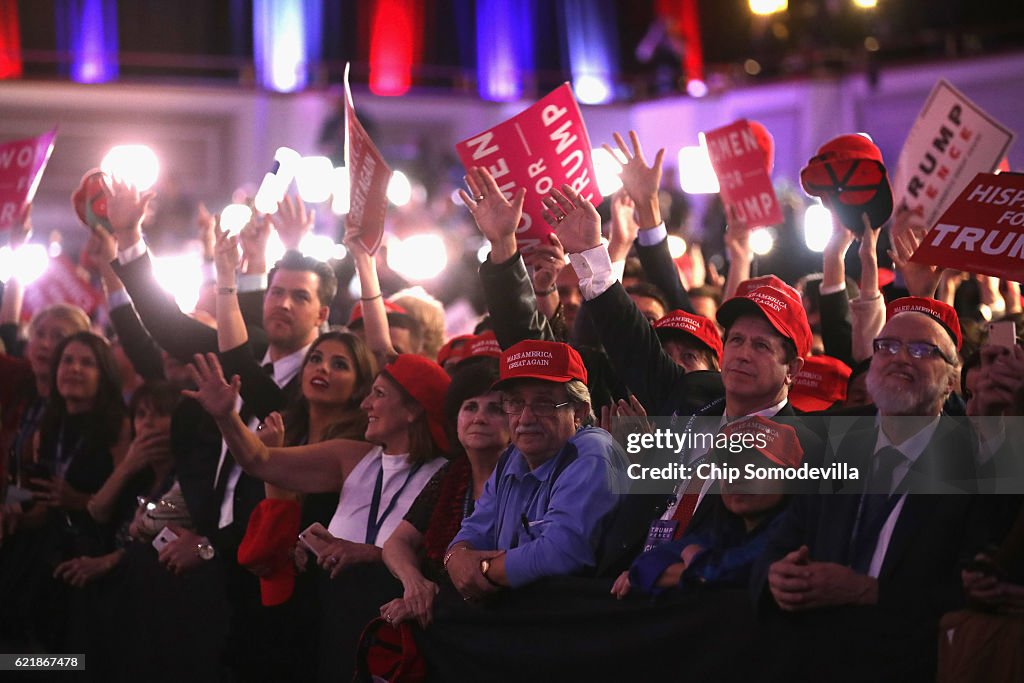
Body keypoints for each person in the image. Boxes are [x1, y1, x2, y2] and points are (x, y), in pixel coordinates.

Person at [752, 297, 986, 681]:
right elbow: (782, 539)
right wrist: (776, 577)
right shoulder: (832, 439)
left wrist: (867, 591)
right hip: (810, 657)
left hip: (911, 662)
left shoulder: (976, 461)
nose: (901, 358)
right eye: (888, 346)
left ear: (951, 381)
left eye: (922, 350)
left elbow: (977, 594)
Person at [443, 339, 629, 597]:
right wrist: (456, 557)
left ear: (579, 412)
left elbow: (562, 553)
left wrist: (482, 570)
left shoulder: (592, 451)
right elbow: (473, 531)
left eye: (543, 404)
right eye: (515, 403)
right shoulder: (512, 456)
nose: (525, 418)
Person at [379, 359, 509, 627]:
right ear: (456, 419)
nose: (479, 418)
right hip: (445, 624)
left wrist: (437, 601)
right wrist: (415, 584)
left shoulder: (526, 476)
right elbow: (396, 544)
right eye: (470, 407)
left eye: (495, 408)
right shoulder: (451, 474)